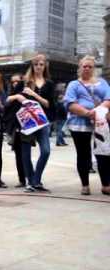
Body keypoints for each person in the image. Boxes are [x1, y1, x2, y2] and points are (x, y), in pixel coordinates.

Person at [64, 55, 110, 196]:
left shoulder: (102, 83)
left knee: (104, 154)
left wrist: (97, 112)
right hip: (79, 123)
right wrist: (87, 113)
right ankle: (85, 185)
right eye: (84, 66)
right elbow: (69, 104)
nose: (87, 68)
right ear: (80, 68)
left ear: (94, 68)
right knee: (83, 154)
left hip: (101, 123)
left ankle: (106, 185)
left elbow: (108, 98)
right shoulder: (73, 84)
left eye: (90, 66)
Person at [14, 54, 55, 193]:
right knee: (25, 153)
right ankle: (30, 182)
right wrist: (19, 96)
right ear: (32, 66)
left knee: (46, 151)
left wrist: (34, 94)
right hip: (28, 121)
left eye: (41, 64)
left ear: (45, 66)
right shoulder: (24, 82)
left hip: (43, 121)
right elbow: (11, 97)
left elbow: (49, 104)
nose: (38, 67)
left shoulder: (49, 83)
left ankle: (36, 179)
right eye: (36, 64)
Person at [4, 73, 27, 188]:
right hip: (15, 128)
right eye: (13, 82)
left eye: (17, 81)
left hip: (27, 127)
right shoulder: (11, 95)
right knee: (18, 154)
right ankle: (22, 179)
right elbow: (6, 106)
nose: (15, 84)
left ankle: (31, 178)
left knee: (26, 155)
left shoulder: (26, 93)